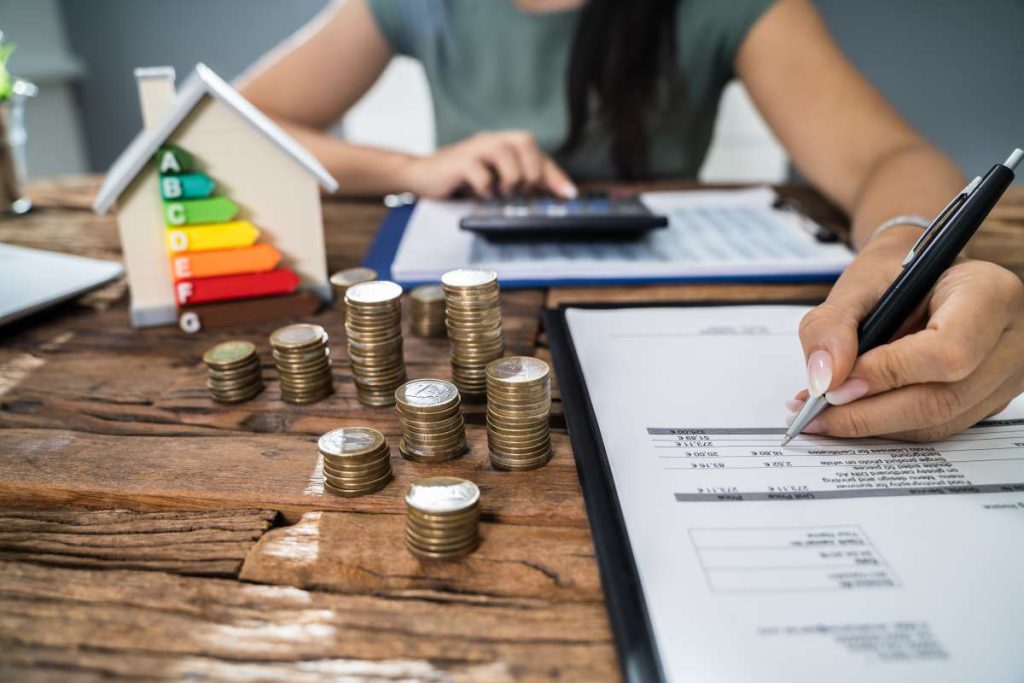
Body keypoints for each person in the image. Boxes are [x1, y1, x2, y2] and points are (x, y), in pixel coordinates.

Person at [240, 0, 1024, 441]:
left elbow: (890, 156)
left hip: (682, 313)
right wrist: (409, 169)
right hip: (477, 311)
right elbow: (242, 126)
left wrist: (902, 241)